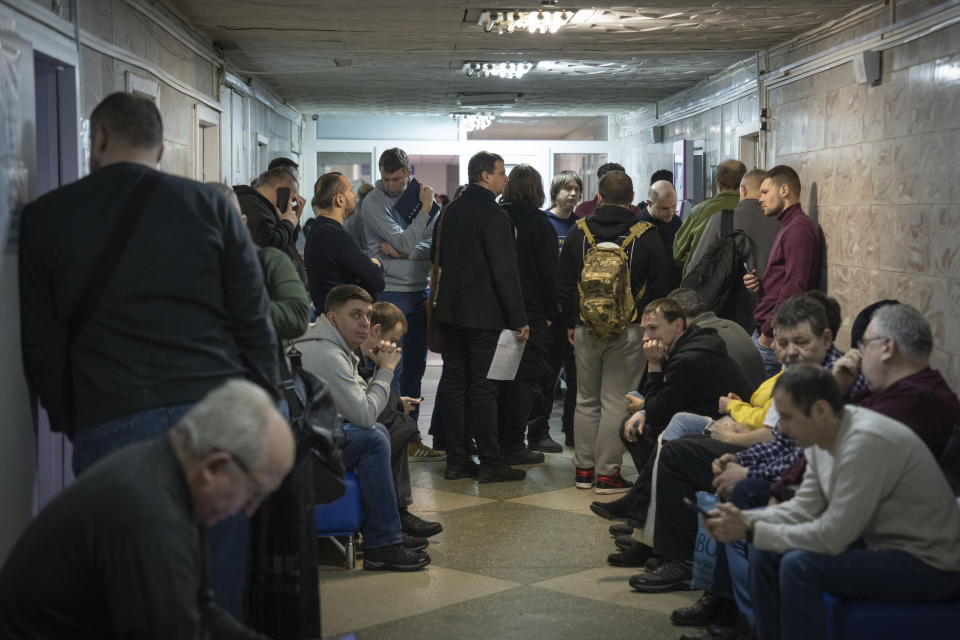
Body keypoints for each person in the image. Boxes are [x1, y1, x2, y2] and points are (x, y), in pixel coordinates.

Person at [19, 93, 278, 616]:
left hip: (111, 416)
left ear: (99, 138)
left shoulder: (45, 218)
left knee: (128, 590)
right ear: (161, 149)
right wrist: (264, 410)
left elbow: (42, 346)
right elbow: (254, 321)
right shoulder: (209, 207)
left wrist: (76, 419)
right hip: (214, 418)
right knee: (217, 588)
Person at [0, 380, 294, 639]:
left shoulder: (166, 476)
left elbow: (200, 610)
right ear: (215, 467)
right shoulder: (151, 518)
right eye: (254, 493)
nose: (250, 510)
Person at [705, 364, 960, 640]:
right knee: (768, 550)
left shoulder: (863, 441)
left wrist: (750, 529)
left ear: (822, 410)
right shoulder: (820, 435)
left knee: (799, 566)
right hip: (881, 544)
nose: (782, 428)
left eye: (788, 418)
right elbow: (804, 506)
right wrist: (746, 520)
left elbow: (833, 536)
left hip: (931, 563)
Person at [296, 284, 431, 570]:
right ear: (332, 318)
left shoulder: (330, 343)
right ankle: (383, 541)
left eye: (367, 316)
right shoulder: (328, 355)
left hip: (305, 434)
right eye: (355, 315)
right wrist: (385, 371)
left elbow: (358, 400)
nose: (364, 323)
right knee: (376, 436)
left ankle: (387, 532)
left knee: (382, 431)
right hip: (301, 447)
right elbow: (366, 414)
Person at [558, 170, 671, 493]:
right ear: (633, 199)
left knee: (585, 400)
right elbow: (662, 285)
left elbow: (564, 284)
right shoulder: (647, 234)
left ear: (599, 196)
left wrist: (571, 323)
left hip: (584, 328)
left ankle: (583, 471)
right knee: (614, 402)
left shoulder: (578, 233)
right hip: (630, 331)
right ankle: (608, 475)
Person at [433, 151, 530, 483]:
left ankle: (456, 460)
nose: (506, 179)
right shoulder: (493, 214)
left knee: (456, 385)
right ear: (485, 175)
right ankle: (491, 462)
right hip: (485, 316)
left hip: (451, 312)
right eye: (502, 173)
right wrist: (519, 317)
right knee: (485, 389)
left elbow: (436, 255)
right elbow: (505, 270)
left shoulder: (451, 210)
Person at [360, 148, 439, 409]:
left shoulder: (421, 197)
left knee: (416, 366)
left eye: (397, 179)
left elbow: (433, 245)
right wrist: (425, 210)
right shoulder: (373, 201)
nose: (392, 186)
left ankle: (411, 435)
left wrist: (407, 253)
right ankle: (392, 434)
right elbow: (404, 240)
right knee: (390, 366)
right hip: (390, 291)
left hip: (420, 290)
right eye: (387, 179)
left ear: (408, 172)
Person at [498, 164, 558, 465]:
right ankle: (513, 443)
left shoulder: (497, 217)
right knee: (522, 382)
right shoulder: (540, 224)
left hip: (496, 311)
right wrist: (549, 313)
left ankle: (494, 442)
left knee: (496, 380)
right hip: (531, 312)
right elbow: (549, 273)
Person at [743, 165, 826, 378]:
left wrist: (769, 333)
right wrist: (761, 283)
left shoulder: (798, 229)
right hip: (768, 332)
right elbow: (784, 280)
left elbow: (795, 287)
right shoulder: (789, 227)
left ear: (784, 190)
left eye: (765, 192)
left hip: (772, 338)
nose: (760, 199)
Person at [529, 169, 583, 451]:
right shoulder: (543, 222)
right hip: (548, 315)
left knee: (575, 377)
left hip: (573, 314)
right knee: (545, 377)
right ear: (555, 192)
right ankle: (538, 431)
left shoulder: (581, 226)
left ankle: (573, 431)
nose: (572, 193)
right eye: (567, 188)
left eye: (576, 188)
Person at [303, 171, 385, 312]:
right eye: (351, 190)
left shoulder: (318, 230)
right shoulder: (335, 236)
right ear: (339, 200)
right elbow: (376, 282)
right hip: (342, 322)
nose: (354, 195)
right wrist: (377, 265)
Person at [667, 288, 766, 389]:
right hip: (760, 399)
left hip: (738, 401)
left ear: (679, 317)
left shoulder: (696, 341)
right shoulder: (733, 325)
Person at [235, 167, 307, 285]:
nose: (292, 204)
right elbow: (268, 245)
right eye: (293, 199)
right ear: (283, 192)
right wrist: (288, 223)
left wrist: (293, 222)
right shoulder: (252, 205)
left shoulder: (264, 207)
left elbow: (286, 244)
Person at [673, 159, 747, 273]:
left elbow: (678, 253)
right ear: (743, 184)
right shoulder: (753, 210)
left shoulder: (700, 211)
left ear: (718, 183)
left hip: (705, 284)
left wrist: (693, 254)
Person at [639, 179, 683, 289]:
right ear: (649, 203)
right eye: (665, 208)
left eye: (674, 206)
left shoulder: (676, 222)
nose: (671, 212)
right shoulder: (638, 226)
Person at [573, 162, 640, 218]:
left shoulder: (634, 211)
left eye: (619, 183)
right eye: (609, 183)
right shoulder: (584, 209)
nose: (614, 187)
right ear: (599, 184)